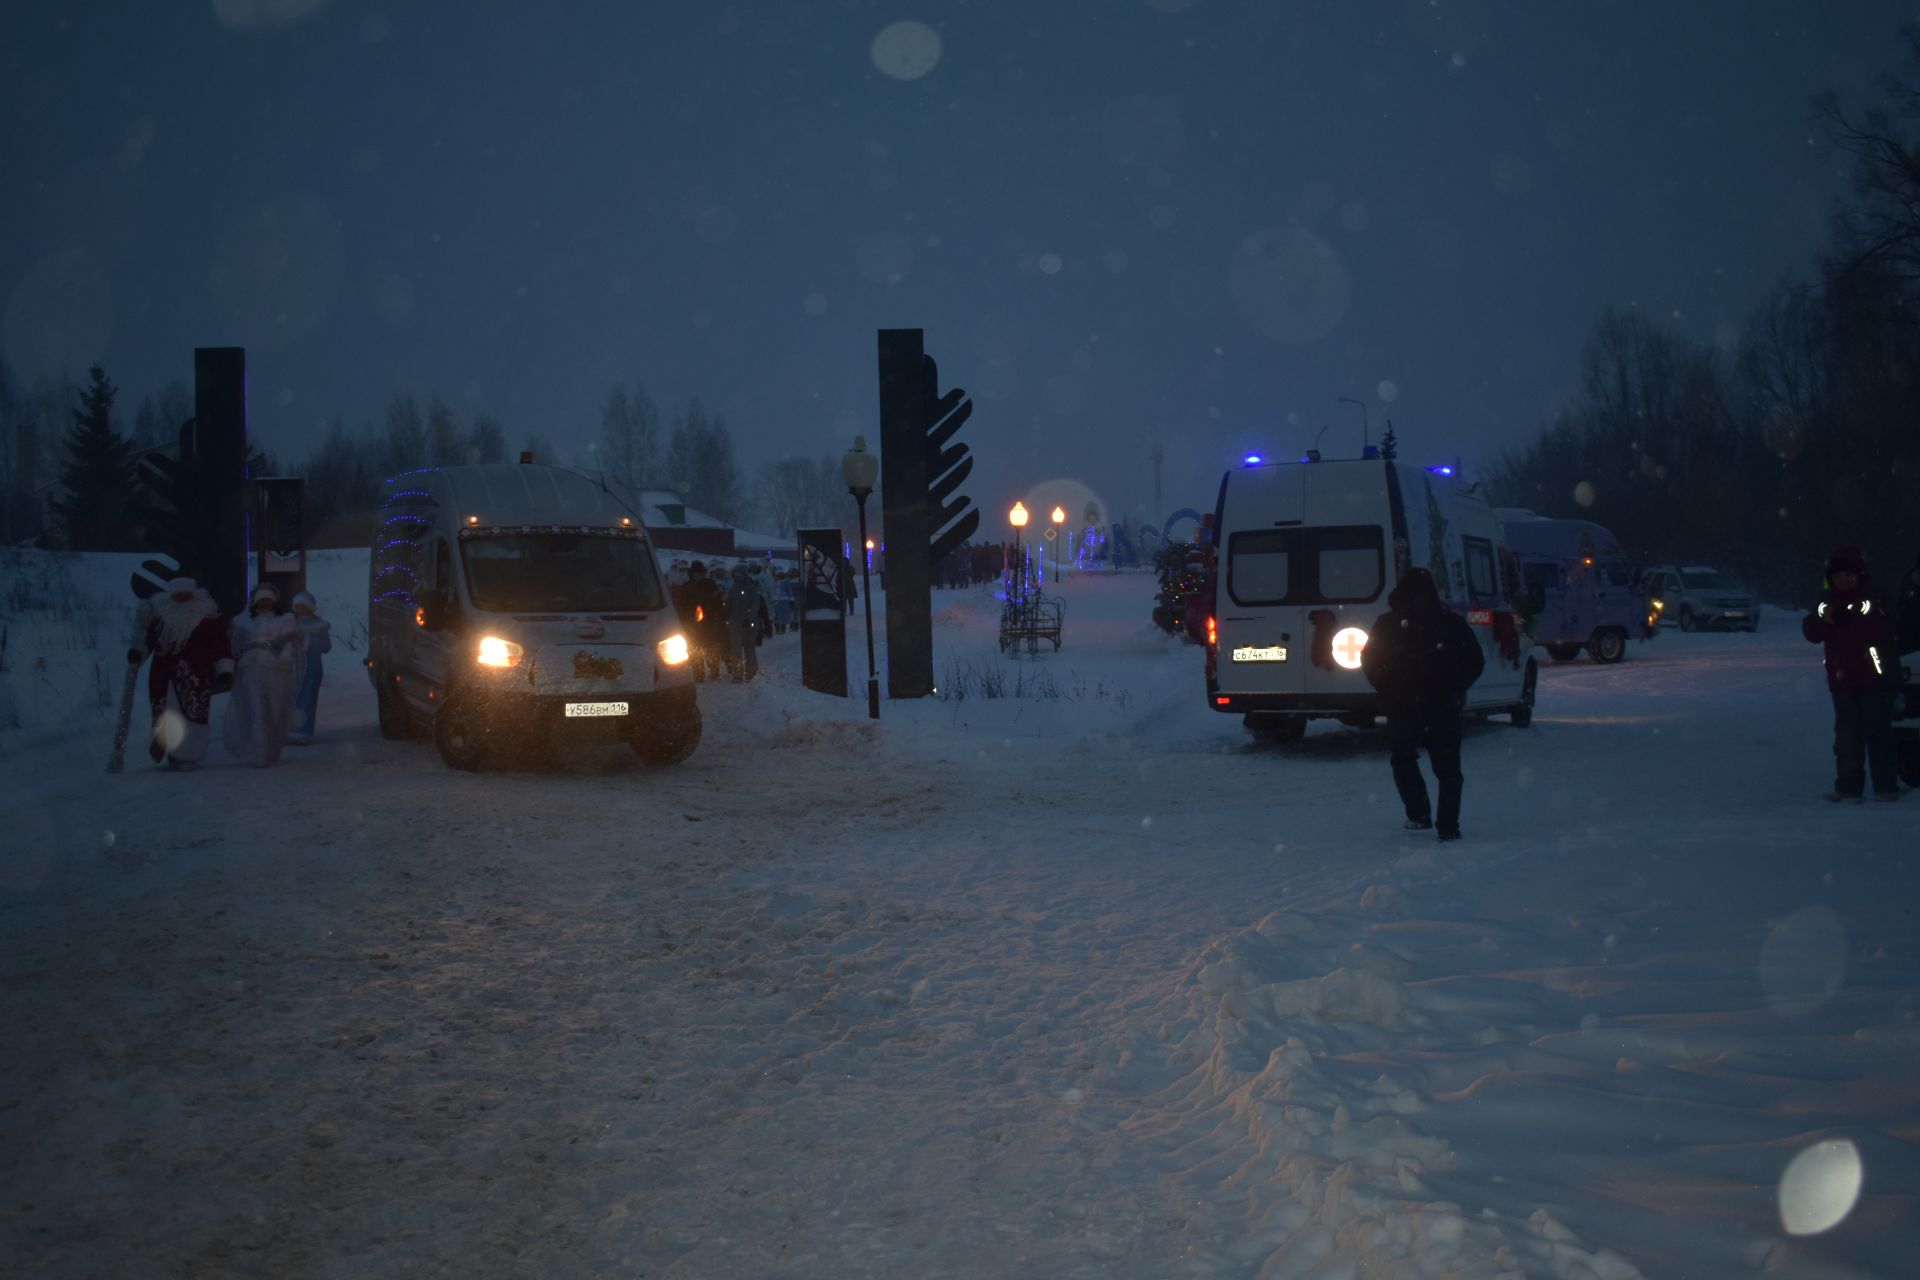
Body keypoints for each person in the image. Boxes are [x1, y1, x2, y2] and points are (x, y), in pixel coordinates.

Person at [1359, 567, 1486, 841]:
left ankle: (1419, 814)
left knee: (1405, 760)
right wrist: (1454, 686)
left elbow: (1369, 660)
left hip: (1404, 705)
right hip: (1440, 706)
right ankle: (1447, 826)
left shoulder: (1387, 624)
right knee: (1447, 770)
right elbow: (1475, 662)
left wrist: (1386, 685)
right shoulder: (1450, 623)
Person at [1802, 548, 1900, 801]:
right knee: (1847, 738)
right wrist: (1826, 621)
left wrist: (1854, 619)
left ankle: (1886, 787)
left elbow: (1887, 627)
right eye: (1839, 576)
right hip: (1842, 681)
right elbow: (1811, 631)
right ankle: (1848, 787)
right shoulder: (1827, 600)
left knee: (1878, 735)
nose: (1844, 580)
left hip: (1875, 679)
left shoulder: (1875, 597)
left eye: (1848, 575)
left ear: (1859, 575)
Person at [127, 576, 235, 771]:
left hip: (195, 674)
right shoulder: (158, 617)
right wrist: (138, 654)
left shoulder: (208, 618)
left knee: (191, 713)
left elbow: (220, 644)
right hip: (163, 673)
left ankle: (186, 754)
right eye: (178, 595)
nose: (183, 598)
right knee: (166, 711)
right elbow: (148, 642)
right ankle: (169, 748)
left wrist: (225, 669)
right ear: (170, 595)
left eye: (187, 595)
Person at [224, 583, 304, 767]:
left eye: (268, 600)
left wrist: (285, 656)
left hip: (275, 669)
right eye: (261, 600)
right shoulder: (244, 621)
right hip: (251, 668)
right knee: (256, 708)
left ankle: (272, 747)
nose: (265, 604)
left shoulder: (284, 620)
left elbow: (289, 643)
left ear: (274, 602)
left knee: (275, 709)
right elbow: (235, 645)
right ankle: (258, 750)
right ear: (255, 602)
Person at [288, 590, 332, 745]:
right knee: (290, 698)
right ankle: (287, 730)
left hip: (311, 668)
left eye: (304, 607)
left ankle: (303, 731)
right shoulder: (289, 623)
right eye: (298, 606)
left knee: (307, 698)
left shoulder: (318, 625)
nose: (301, 610)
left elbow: (326, 646)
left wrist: (307, 641)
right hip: (292, 667)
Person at [678, 561, 728, 683]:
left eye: (699, 573)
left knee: (710, 647)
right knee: (694, 649)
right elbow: (680, 604)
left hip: (708, 622)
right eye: (695, 573)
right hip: (691, 624)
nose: (697, 575)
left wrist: (716, 614)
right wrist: (685, 617)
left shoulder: (710, 584)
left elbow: (717, 602)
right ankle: (698, 673)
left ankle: (714, 670)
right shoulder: (686, 586)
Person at [724, 563, 763, 681]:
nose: (738, 576)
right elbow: (728, 605)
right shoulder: (732, 589)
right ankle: (737, 674)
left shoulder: (752, 589)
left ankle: (751, 672)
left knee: (749, 648)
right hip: (735, 622)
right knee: (735, 649)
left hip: (749, 623)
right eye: (736, 574)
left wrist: (749, 617)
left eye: (740, 574)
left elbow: (755, 605)